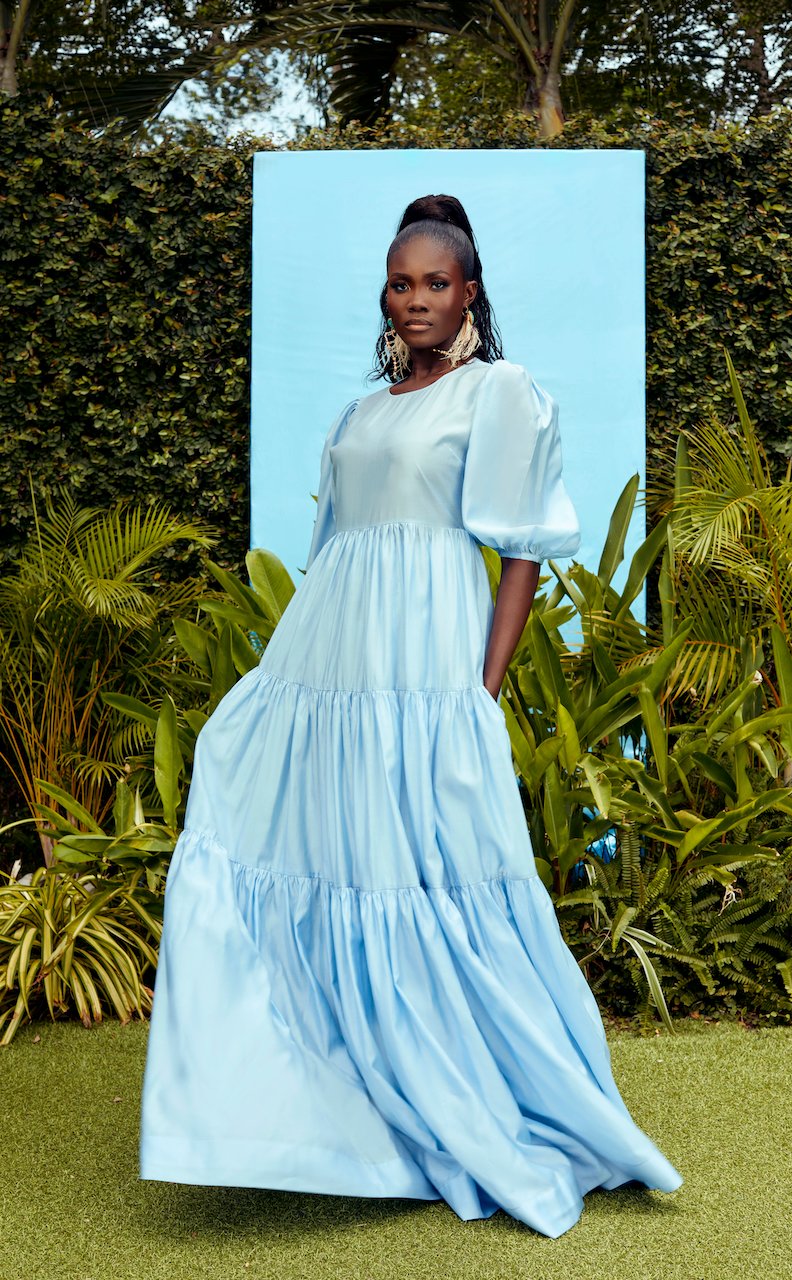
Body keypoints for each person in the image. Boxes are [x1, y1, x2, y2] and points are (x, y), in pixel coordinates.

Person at [139, 193, 683, 1239]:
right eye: (401, 283)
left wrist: (482, 685)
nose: (417, 298)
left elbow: (518, 551)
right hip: (331, 663)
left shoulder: (498, 392)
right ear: (384, 295)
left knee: (433, 866)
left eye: (437, 281)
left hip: (426, 658)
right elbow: (337, 554)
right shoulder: (360, 412)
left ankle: (482, 1091)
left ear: (470, 290)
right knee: (289, 822)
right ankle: (319, 1103)